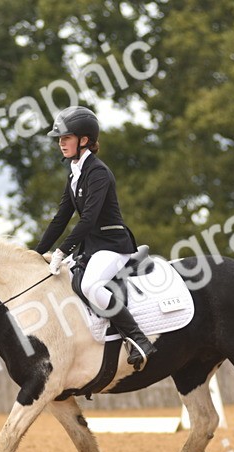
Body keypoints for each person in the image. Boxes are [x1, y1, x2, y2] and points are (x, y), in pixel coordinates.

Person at [34, 106, 156, 370]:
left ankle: (138, 338)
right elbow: (60, 218)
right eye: (59, 139)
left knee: (90, 285)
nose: (61, 143)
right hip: (92, 248)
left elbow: (88, 219)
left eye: (66, 138)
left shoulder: (98, 172)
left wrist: (61, 251)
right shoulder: (75, 173)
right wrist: (35, 253)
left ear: (84, 140)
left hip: (113, 245)